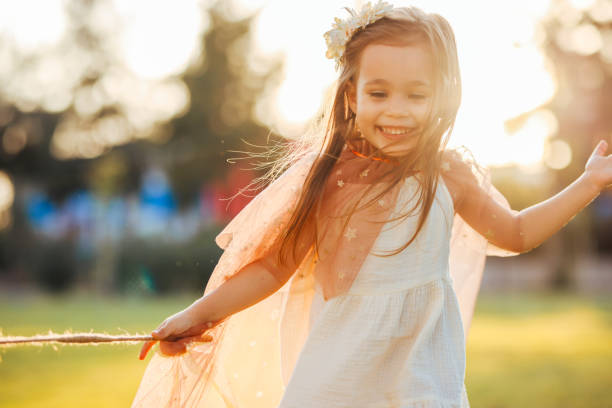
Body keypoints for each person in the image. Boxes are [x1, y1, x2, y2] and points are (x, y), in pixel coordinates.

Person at [131, 3, 612, 407]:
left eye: (416, 94)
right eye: (379, 93)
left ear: (441, 96)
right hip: (336, 381)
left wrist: (588, 183)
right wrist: (198, 313)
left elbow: (518, 232)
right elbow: (273, 266)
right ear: (352, 96)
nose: (397, 110)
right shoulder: (328, 181)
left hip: (423, 383)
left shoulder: (448, 174)